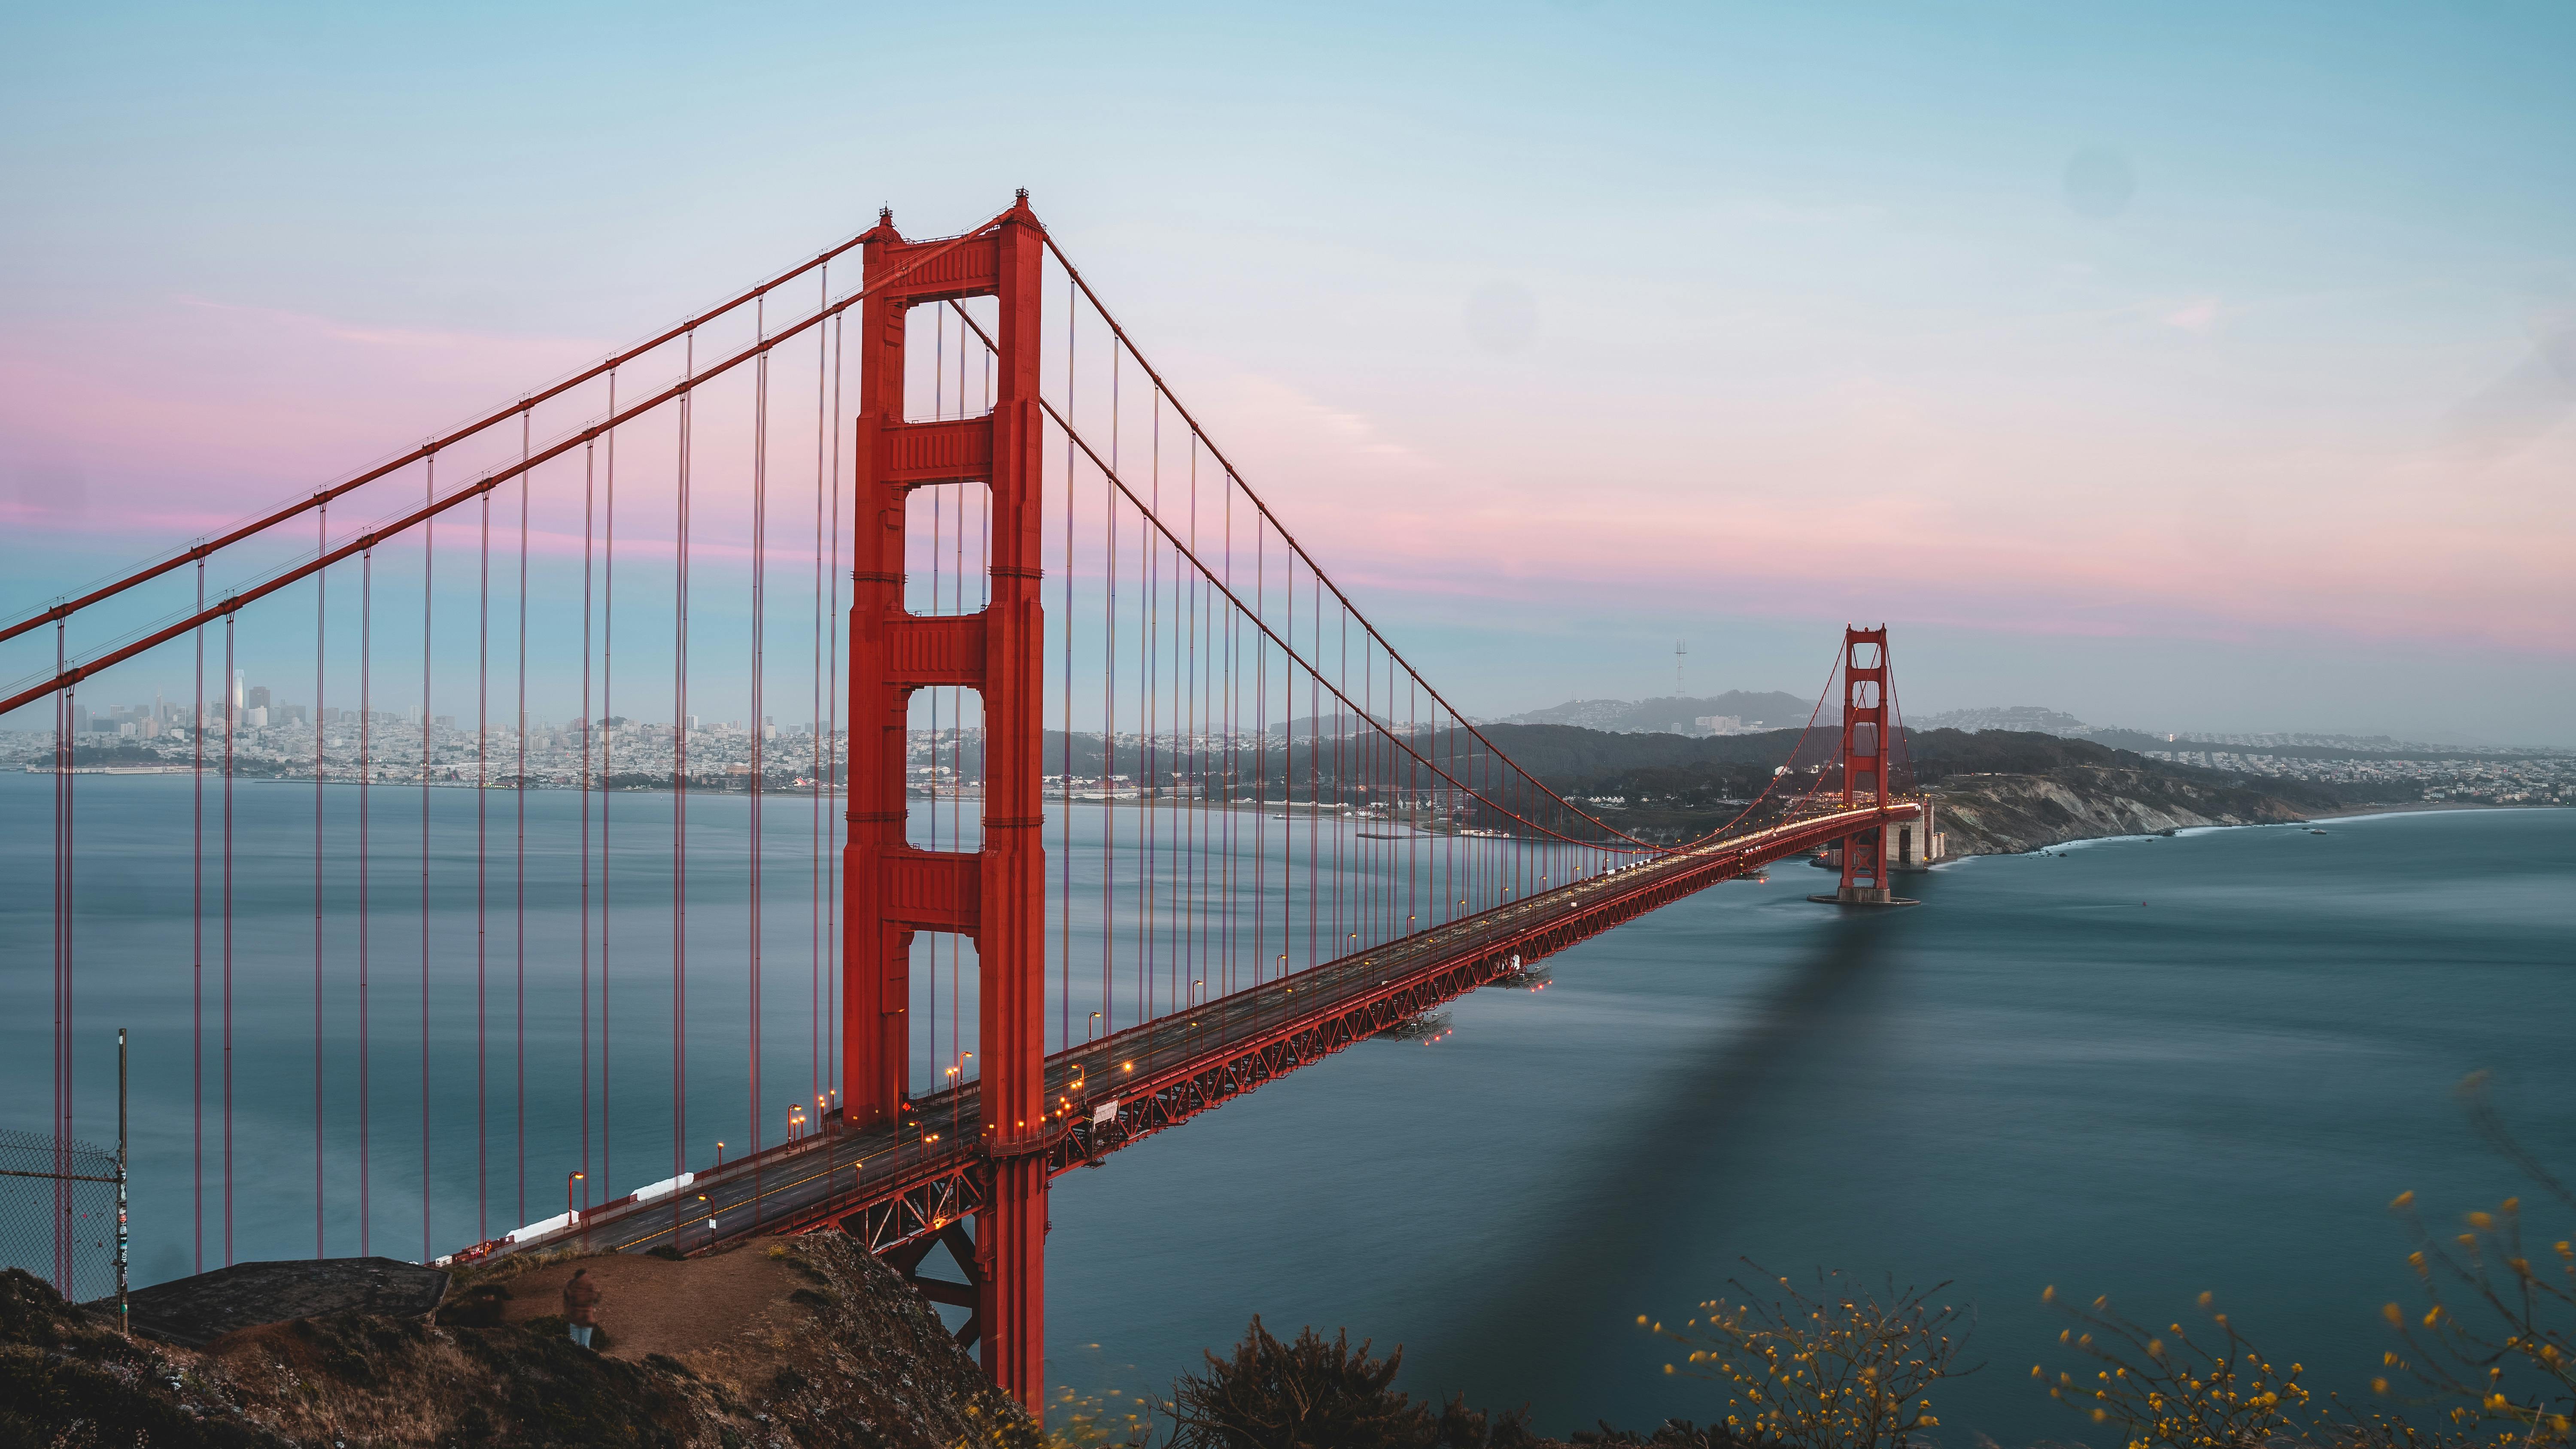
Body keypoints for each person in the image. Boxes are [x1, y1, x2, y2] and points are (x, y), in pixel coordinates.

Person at [563, 1267, 602, 1349]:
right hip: (587, 1320)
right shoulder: (589, 1285)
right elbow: (595, 1298)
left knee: (574, 1345)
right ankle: (586, 1360)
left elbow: (566, 1300)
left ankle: (575, 1360)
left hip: (574, 1319)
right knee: (586, 1346)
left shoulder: (571, 1286)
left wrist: (567, 1313)